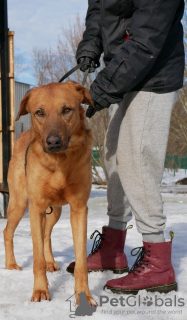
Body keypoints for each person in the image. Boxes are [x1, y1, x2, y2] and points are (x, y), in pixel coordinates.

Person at [67, 0, 185, 294]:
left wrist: (103, 87)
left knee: (136, 158)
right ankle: (113, 248)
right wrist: (89, 50)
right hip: (127, 73)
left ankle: (158, 260)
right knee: (113, 156)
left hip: (155, 73)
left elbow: (147, 37)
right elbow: (98, 14)